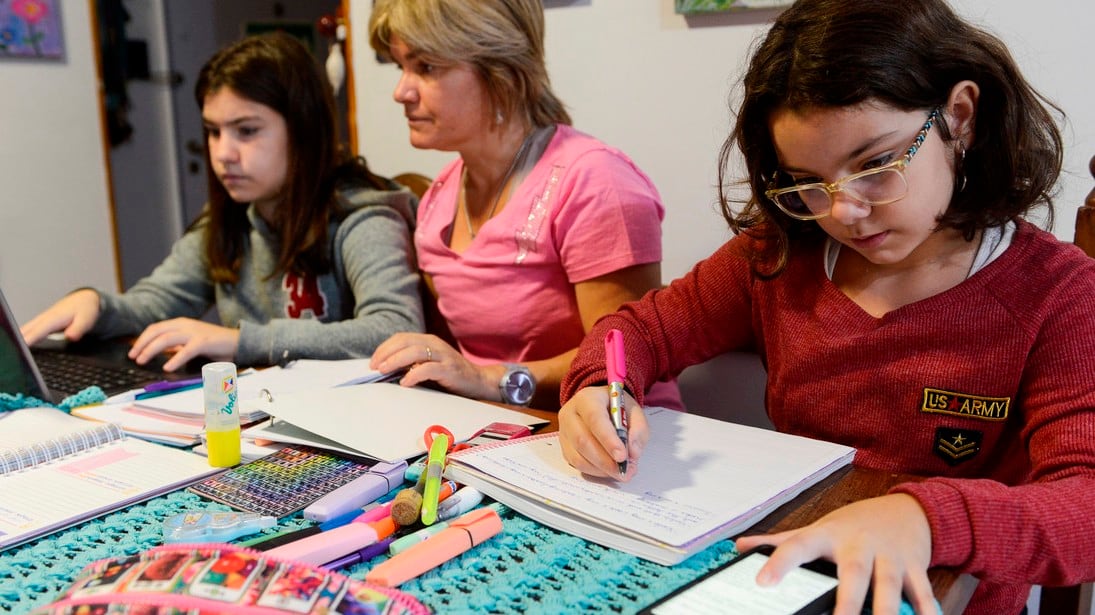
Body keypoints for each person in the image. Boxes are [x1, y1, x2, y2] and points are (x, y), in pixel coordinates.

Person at [558, 1, 1095, 613]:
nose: (843, 212)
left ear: (961, 117)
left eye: (875, 166)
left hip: (947, 596)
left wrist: (926, 517)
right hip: (784, 577)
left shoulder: (1058, 293)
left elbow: (1086, 503)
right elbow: (637, 329)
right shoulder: (780, 256)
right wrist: (601, 386)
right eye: (808, 182)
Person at [21, 32, 423, 371]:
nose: (222, 153)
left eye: (246, 131)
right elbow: (159, 300)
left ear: (302, 131)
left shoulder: (362, 214)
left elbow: (394, 329)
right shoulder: (229, 216)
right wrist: (98, 305)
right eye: (214, 131)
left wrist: (239, 342)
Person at [365, 0, 678, 410]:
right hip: (493, 436)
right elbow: (455, 361)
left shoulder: (596, 183)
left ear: (502, 74)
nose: (400, 92)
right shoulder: (439, 198)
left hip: (617, 443)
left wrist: (489, 379)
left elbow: (626, 357)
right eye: (399, 67)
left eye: (425, 67)